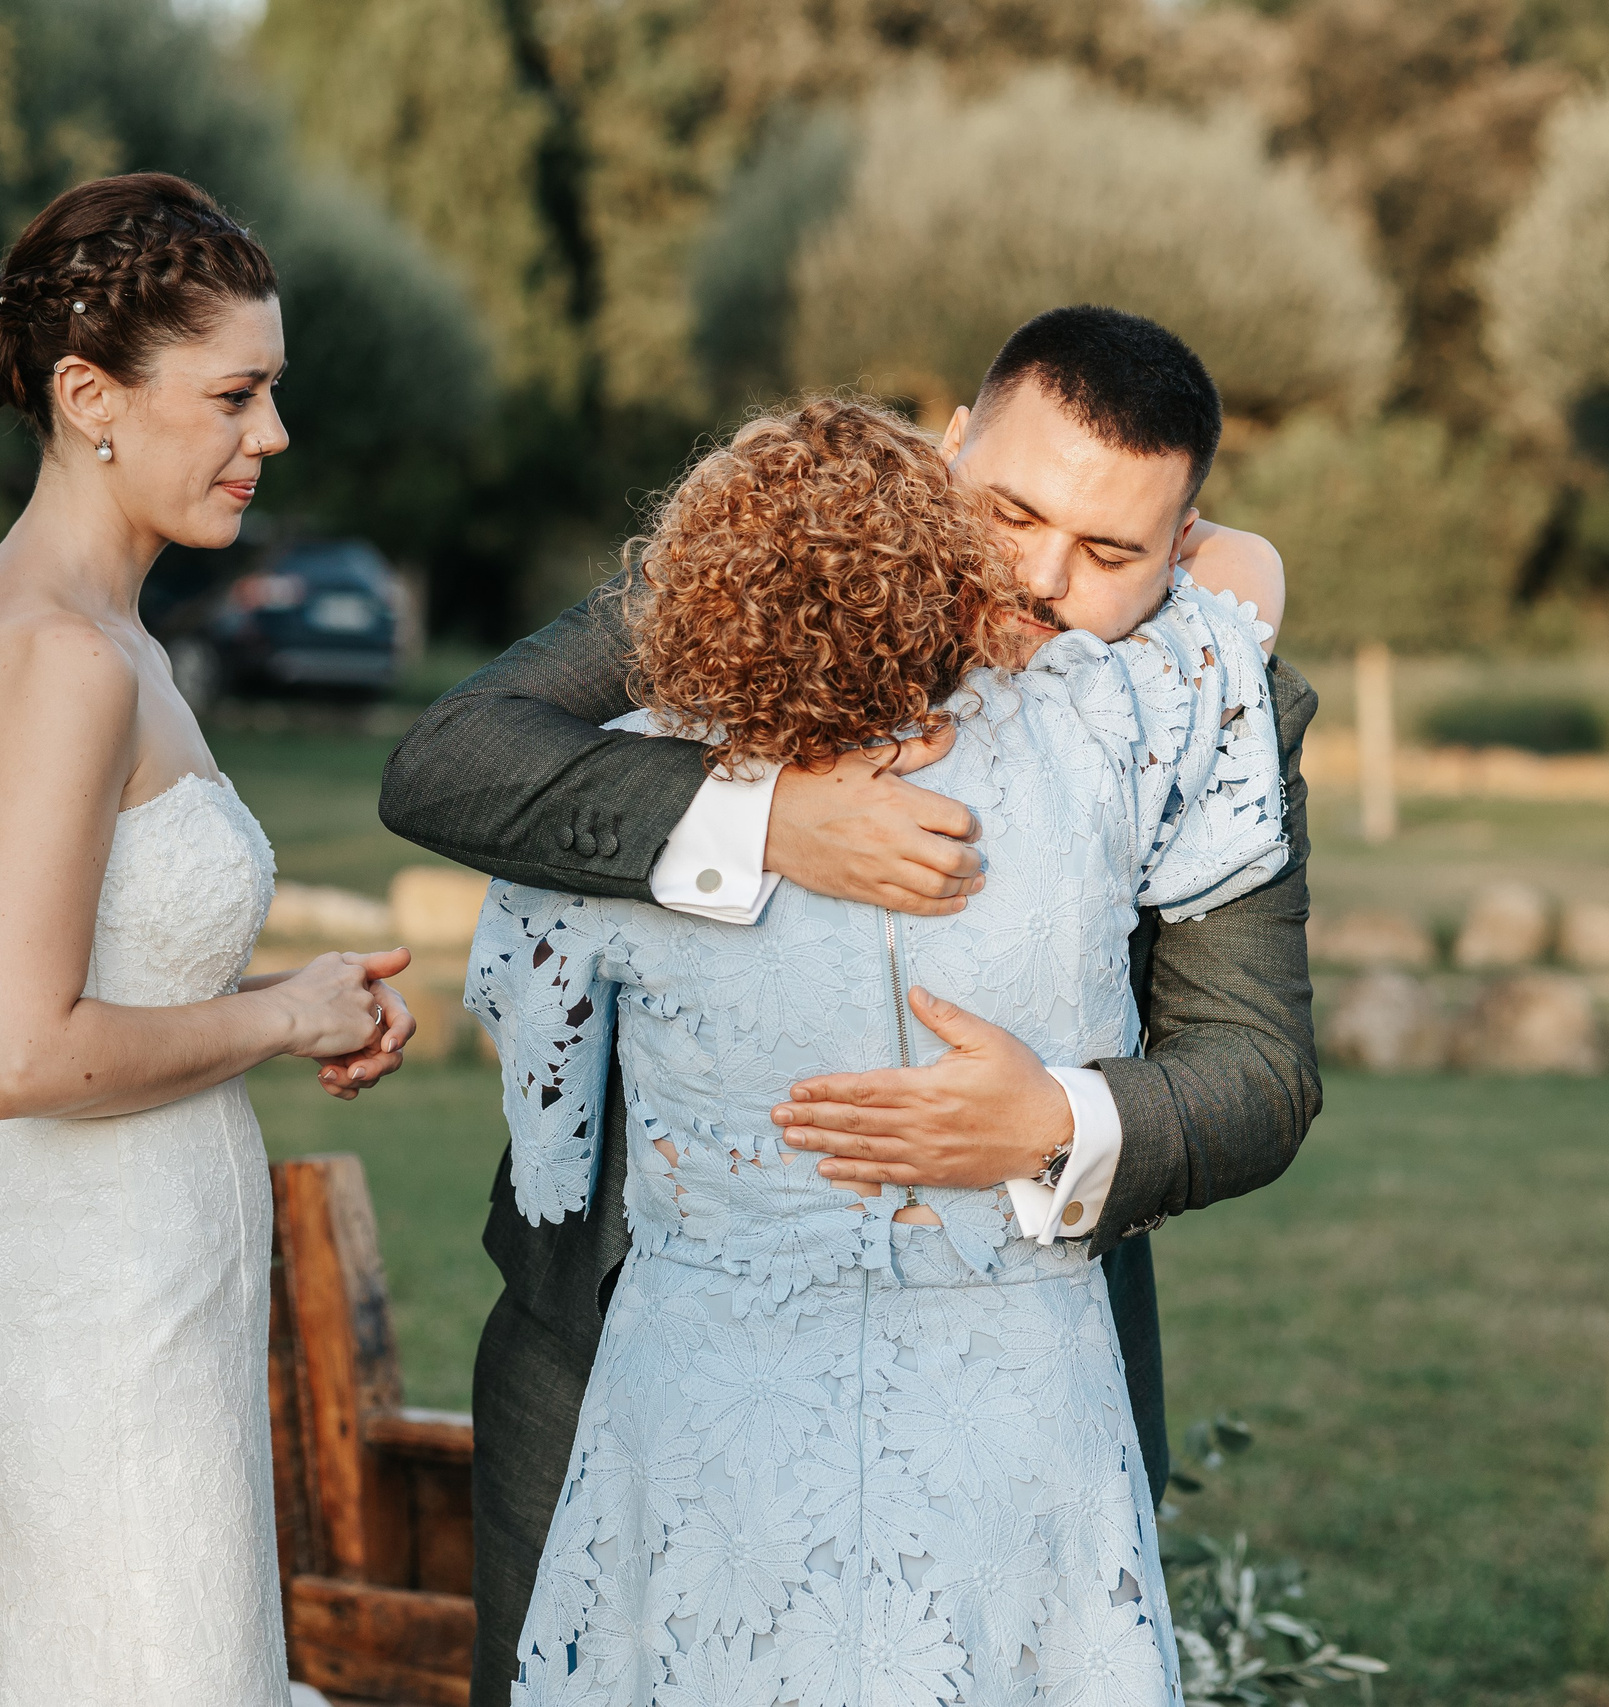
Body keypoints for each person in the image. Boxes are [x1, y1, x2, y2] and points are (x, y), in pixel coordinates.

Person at [377, 307, 1320, 1707]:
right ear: (948, 454)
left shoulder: (1197, 710)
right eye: (1011, 511)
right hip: (623, 1370)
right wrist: (759, 820)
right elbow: (451, 761)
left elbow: (1258, 1068)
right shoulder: (756, 580)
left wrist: (1053, 1119)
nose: (1043, 576)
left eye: (1110, 551)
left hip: (1013, 1396)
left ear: (1181, 552)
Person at [0, 172, 414, 1704]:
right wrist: (285, 1016)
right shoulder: (59, 661)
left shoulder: (95, 636)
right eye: (235, 395)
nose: (272, 437)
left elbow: (82, 987)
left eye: (275, 393)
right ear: (90, 396)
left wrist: (276, 1001)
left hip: (133, 1289)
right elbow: (15, 1049)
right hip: (95, 1335)